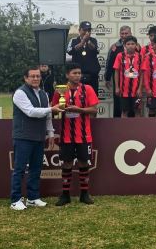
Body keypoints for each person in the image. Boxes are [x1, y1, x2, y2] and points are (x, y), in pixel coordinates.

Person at [11, 67, 63, 211]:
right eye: (32, 76)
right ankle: (15, 199)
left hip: (39, 137)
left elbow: (47, 116)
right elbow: (30, 112)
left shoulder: (44, 94)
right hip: (23, 136)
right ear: (25, 78)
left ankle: (32, 198)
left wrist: (51, 133)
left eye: (38, 76)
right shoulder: (20, 93)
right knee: (20, 169)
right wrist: (51, 109)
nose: (35, 79)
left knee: (36, 169)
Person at [52, 63, 99, 206]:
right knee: (66, 163)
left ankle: (84, 194)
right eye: (74, 73)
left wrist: (80, 110)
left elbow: (95, 110)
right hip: (66, 135)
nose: (78, 75)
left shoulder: (88, 89)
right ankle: (65, 194)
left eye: (79, 73)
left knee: (83, 162)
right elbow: (52, 111)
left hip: (84, 135)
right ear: (67, 75)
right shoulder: (59, 91)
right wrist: (59, 109)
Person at [66, 21, 101, 97]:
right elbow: (69, 51)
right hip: (78, 75)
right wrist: (82, 42)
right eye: (84, 30)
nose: (86, 32)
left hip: (92, 75)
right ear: (79, 30)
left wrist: (88, 41)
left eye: (89, 30)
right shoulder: (73, 40)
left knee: (92, 97)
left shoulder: (94, 40)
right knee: (78, 96)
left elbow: (96, 50)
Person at [105, 26, 133, 117]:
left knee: (132, 100)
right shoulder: (114, 47)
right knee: (118, 100)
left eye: (126, 33)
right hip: (119, 78)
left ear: (130, 33)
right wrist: (107, 77)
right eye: (122, 33)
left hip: (133, 78)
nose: (124, 35)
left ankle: (133, 122)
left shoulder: (136, 46)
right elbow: (109, 62)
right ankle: (116, 122)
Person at [113, 36, 143, 117]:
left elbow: (142, 73)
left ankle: (138, 129)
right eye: (128, 44)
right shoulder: (120, 56)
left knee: (137, 110)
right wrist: (117, 87)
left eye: (132, 44)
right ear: (124, 45)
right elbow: (116, 72)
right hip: (124, 91)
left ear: (136, 45)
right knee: (124, 111)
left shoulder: (140, 56)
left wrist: (140, 88)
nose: (130, 46)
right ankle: (124, 129)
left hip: (136, 90)